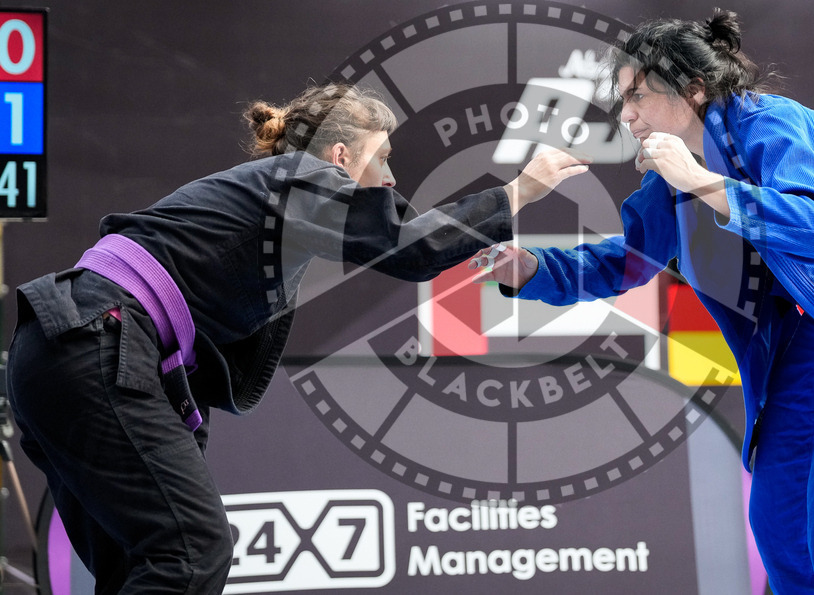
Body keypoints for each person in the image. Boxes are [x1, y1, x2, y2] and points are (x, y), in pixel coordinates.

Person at [5, 81, 589, 594]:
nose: (391, 179)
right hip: (92, 342)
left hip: (54, 350)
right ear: (340, 158)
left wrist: (463, 238)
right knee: (191, 553)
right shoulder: (304, 178)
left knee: (147, 563)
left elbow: (404, 233)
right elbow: (409, 245)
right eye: (383, 159)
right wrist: (515, 194)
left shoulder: (275, 216)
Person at [470, 9, 814, 594]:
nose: (625, 115)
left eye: (638, 96)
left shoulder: (773, 124)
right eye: (621, 100)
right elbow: (627, 260)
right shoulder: (669, 183)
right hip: (812, 331)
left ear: (694, 90)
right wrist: (530, 270)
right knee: (778, 521)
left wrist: (702, 182)